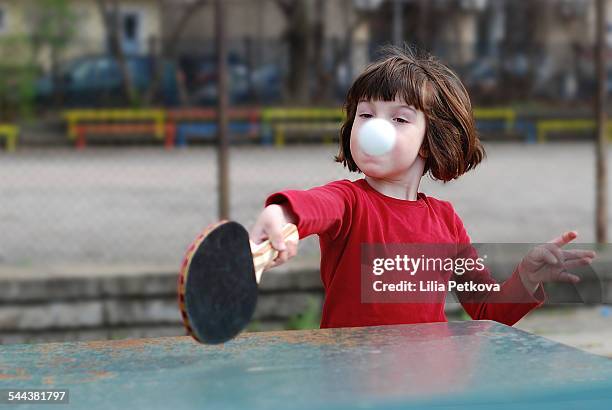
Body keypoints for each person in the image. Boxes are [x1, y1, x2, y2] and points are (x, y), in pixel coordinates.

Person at [249, 45, 596, 329]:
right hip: (351, 386)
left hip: (428, 383)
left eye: (399, 119)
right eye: (365, 115)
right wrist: (280, 214)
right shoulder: (348, 200)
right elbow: (314, 204)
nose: (374, 128)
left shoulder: (446, 221)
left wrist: (528, 275)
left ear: (430, 141)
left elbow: (487, 310)